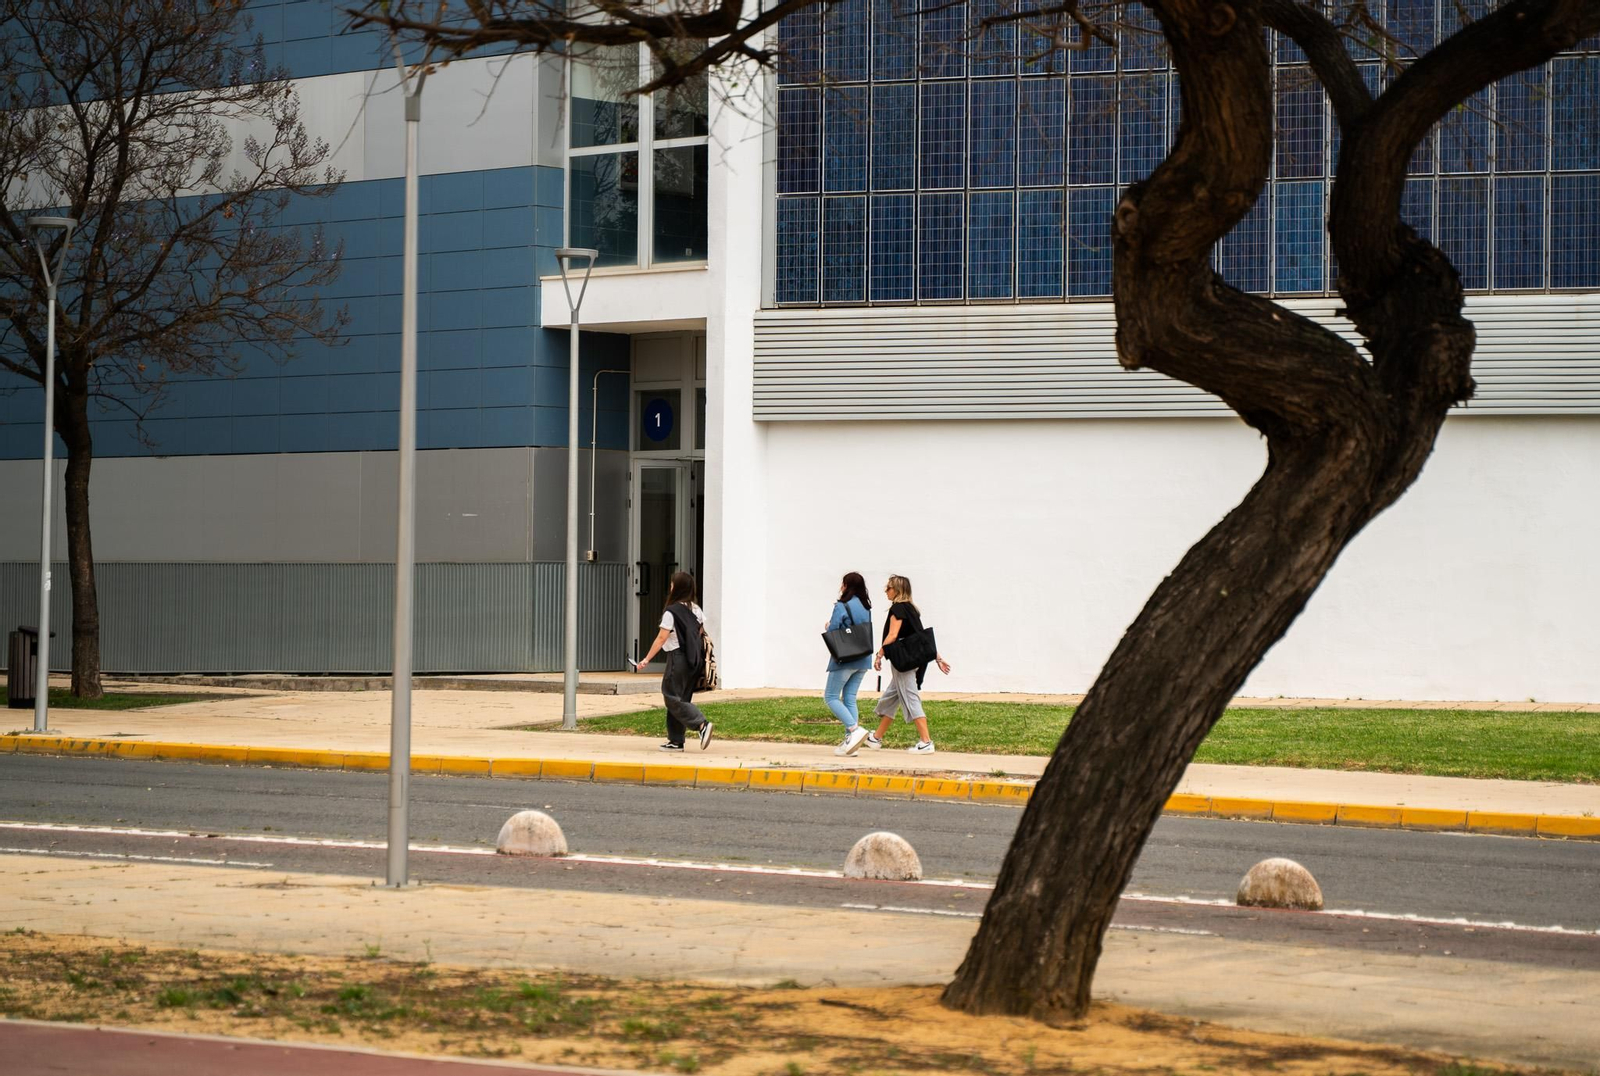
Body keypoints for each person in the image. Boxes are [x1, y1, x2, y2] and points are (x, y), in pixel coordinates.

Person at [867, 574, 950, 753]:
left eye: (888, 588)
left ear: (897, 590)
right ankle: (876, 738)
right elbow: (921, 637)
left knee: (911, 697)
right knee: (892, 697)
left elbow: (892, 635)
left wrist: (880, 654)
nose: (885, 591)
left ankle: (926, 741)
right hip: (912, 661)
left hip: (902, 661)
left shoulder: (898, 609)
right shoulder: (912, 609)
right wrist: (937, 657)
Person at [631, 571, 714, 752]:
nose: (670, 587)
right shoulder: (696, 609)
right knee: (680, 698)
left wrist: (645, 660)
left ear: (676, 588)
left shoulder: (671, 611)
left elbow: (661, 638)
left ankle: (701, 724)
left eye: (672, 584)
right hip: (694, 659)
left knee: (670, 697)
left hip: (677, 658)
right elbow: (699, 633)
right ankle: (676, 741)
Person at [823, 571, 874, 756]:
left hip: (846, 657)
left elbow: (835, 629)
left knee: (830, 697)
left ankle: (854, 730)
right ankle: (850, 745)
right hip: (863, 658)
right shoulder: (865, 606)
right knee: (850, 697)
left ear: (846, 585)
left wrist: (828, 626)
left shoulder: (842, 606)